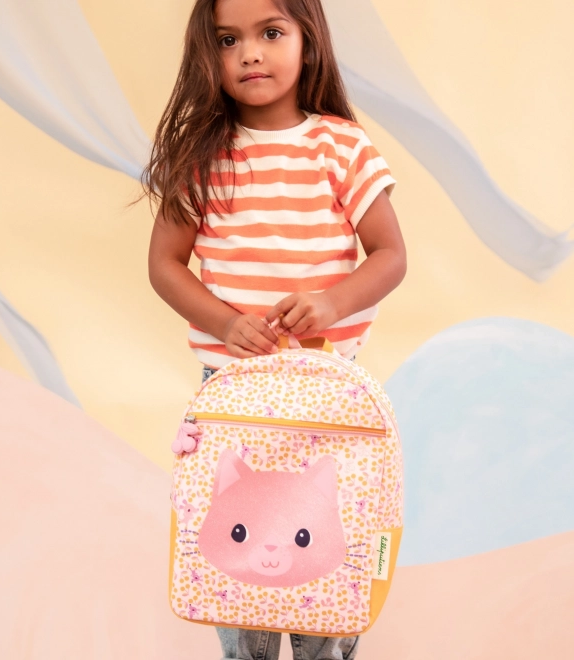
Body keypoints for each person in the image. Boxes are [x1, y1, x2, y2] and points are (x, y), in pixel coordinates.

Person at [141, 0, 406, 657]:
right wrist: (226, 323)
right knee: (239, 565)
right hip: (232, 391)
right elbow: (164, 264)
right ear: (208, 54)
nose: (250, 52)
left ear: (308, 41)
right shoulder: (203, 155)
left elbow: (390, 255)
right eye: (228, 39)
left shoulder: (342, 146)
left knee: (322, 561)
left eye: (271, 32)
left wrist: (332, 303)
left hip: (326, 393)